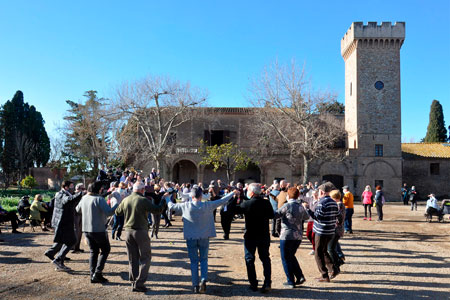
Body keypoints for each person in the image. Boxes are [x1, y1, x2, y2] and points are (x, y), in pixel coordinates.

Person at [167, 187, 236, 293]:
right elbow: (222, 200)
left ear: (192, 196)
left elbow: (171, 206)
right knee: (204, 260)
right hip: (204, 236)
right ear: (201, 196)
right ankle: (203, 279)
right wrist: (232, 193)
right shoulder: (207, 205)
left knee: (193, 262)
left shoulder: (185, 205)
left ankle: (195, 285)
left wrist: (167, 198)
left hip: (191, 237)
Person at [115, 181, 166, 293]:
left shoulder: (126, 199)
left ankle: (133, 281)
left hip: (128, 231)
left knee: (132, 258)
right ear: (142, 190)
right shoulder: (143, 200)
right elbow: (157, 210)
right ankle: (139, 283)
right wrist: (163, 200)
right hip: (141, 231)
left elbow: (117, 212)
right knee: (145, 257)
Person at [234, 183, 274, 293]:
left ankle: (253, 283)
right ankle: (267, 282)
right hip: (264, 234)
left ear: (251, 192)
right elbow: (271, 215)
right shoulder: (266, 203)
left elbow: (235, 210)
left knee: (250, 259)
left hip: (251, 235)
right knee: (265, 258)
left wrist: (235, 198)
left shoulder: (246, 204)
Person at [76, 181, 118, 283]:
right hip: (98, 229)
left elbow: (77, 210)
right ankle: (98, 273)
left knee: (93, 251)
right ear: (99, 190)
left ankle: (92, 274)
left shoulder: (84, 198)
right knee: (105, 250)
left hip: (86, 229)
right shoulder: (99, 199)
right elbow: (109, 212)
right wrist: (116, 203)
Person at [274, 187, 309, 288]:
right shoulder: (300, 206)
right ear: (298, 196)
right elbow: (306, 217)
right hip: (298, 236)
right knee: (291, 256)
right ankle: (299, 276)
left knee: (285, 258)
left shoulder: (287, 205)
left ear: (288, 195)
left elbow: (276, 215)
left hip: (286, 235)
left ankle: (290, 281)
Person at [44, 180, 82, 272]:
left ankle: (52, 253)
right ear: (66, 187)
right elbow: (68, 200)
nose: (73, 188)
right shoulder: (61, 194)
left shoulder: (64, 193)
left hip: (64, 222)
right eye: (72, 186)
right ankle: (58, 260)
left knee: (63, 240)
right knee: (71, 241)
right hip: (63, 223)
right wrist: (80, 194)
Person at [306, 182, 339, 282]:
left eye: (319, 191)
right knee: (323, 251)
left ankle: (324, 275)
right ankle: (333, 269)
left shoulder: (322, 202)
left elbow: (318, 217)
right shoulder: (333, 202)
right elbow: (337, 215)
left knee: (318, 253)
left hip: (321, 231)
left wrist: (307, 209)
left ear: (322, 192)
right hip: (330, 230)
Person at [327, 190, 345, 277]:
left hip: (336, 229)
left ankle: (336, 265)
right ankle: (339, 261)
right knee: (332, 248)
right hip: (337, 229)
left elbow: (338, 218)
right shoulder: (339, 204)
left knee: (330, 249)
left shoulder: (338, 205)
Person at [72, 183, 86, 253]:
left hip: (81, 214)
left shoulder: (83, 195)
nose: (84, 190)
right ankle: (73, 247)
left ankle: (77, 247)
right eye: (83, 189)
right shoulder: (73, 195)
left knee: (80, 232)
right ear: (78, 189)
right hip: (75, 215)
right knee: (76, 231)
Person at [306, 189, 320, 255]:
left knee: (313, 235)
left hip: (316, 221)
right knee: (308, 234)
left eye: (316, 193)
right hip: (310, 219)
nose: (314, 195)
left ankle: (315, 248)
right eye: (313, 193)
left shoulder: (319, 202)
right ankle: (316, 246)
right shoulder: (310, 199)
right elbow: (301, 196)